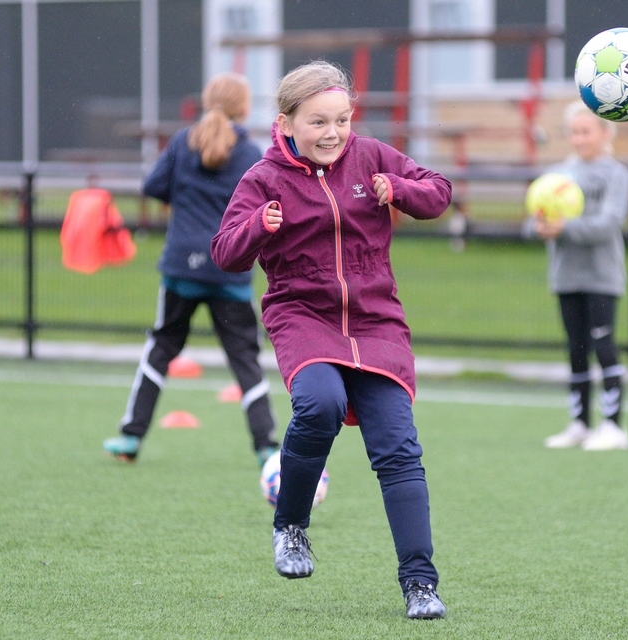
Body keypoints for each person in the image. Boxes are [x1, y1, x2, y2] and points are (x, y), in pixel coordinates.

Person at [210, 61, 450, 620]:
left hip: (377, 320)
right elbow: (225, 252)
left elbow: (438, 192)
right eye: (318, 122)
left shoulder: (370, 157)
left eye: (342, 119)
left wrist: (401, 189)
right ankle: (291, 526)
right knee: (320, 403)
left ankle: (420, 583)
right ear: (286, 123)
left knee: (398, 448)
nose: (333, 132)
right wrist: (257, 226)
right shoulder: (263, 179)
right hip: (302, 314)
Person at [102, 72, 280, 467]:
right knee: (246, 360)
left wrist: (185, 194)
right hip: (228, 270)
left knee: (161, 348)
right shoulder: (250, 153)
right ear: (244, 108)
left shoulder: (183, 142)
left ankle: (130, 437)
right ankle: (266, 445)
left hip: (181, 267)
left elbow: (153, 186)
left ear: (206, 102)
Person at [526, 100, 628, 451]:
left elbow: (608, 224)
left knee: (604, 347)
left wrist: (565, 227)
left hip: (602, 276)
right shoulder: (558, 175)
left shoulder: (616, 175)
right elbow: (532, 219)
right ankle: (580, 424)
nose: (579, 139)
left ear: (605, 133)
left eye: (586, 132)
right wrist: (539, 226)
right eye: (574, 132)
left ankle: (614, 427)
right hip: (565, 276)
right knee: (576, 349)